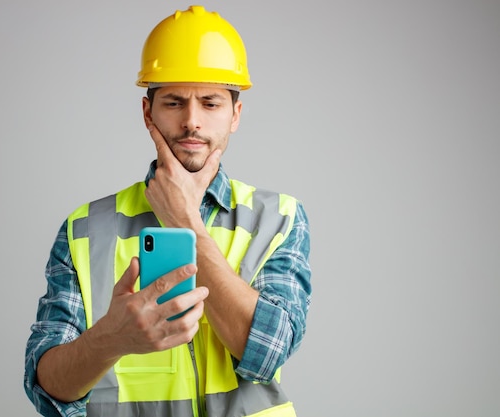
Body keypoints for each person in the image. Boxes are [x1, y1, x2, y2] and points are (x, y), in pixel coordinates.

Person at [24, 5, 312, 417]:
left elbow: (268, 352)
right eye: (174, 102)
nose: (192, 122)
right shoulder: (85, 228)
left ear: (235, 115)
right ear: (148, 113)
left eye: (210, 103)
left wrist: (185, 220)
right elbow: (46, 388)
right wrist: (111, 337)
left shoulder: (279, 218)